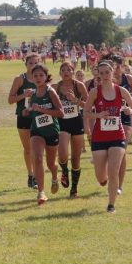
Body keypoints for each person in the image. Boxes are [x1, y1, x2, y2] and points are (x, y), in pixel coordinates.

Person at [84, 60, 132, 212]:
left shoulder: (121, 91)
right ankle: (105, 179)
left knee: (114, 171)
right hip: (99, 138)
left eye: (107, 72)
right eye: (101, 73)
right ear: (98, 75)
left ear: (112, 72)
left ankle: (111, 205)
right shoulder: (95, 92)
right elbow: (86, 113)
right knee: (101, 177)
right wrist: (98, 114)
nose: (105, 75)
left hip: (117, 136)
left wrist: (131, 111)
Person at [23, 64, 63, 205]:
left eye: (41, 75)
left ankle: (54, 176)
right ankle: (41, 192)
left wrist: (41, 109)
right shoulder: (32, 94)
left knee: (51, 163)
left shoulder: (50, 92)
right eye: (35, 76)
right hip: (37, 131)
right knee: (38, 158)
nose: (38, 78)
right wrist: (27, 112)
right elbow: (29, 109)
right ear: (32, 78)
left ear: (46, 77)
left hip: (52, 131)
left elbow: (61, 113)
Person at [55, 62, 88, 197]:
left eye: (69, 69)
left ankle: (74, 189)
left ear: (73, 71)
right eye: (63, 70)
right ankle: (64, 171)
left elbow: (88, 105)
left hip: (76, 122)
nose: (66, 72)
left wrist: (75, 100)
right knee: (62, 153)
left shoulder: (78, 86)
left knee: (76, 158)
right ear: (60, 73)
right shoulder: (56, 87)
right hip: (62, 122)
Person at [8, 53, 40, 189]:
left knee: (38, 149)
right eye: (30, 63)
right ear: (26, 64)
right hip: (23, 117)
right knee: (28, 149)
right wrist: (24, 95)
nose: (33, 66)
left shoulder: (41, 79)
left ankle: (38, 176)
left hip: (38, 117)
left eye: (35, 63)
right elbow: (10, 100)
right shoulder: (20, 79)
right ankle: (31, 175)